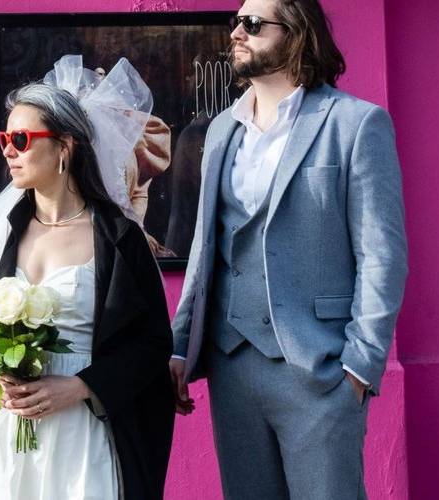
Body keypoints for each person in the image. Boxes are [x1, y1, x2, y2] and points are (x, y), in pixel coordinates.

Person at [0, 56, 174, 500]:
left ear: (65, 147)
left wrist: (82, 387)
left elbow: (151, 344)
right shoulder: (0, 233)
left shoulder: (119, 238)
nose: (8, 150)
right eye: (5, 138)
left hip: (79, 433)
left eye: (22, 139)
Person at [169, 0, 408, 498]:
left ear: (297, 34)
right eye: (235, 22)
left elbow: (382, 255)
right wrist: (180, 345)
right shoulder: (218, 131)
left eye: (253, 24)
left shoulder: (355, 124)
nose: (237, 32)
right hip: (232, 364)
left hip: (319, 368)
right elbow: (203, 248)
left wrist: (359, 368)